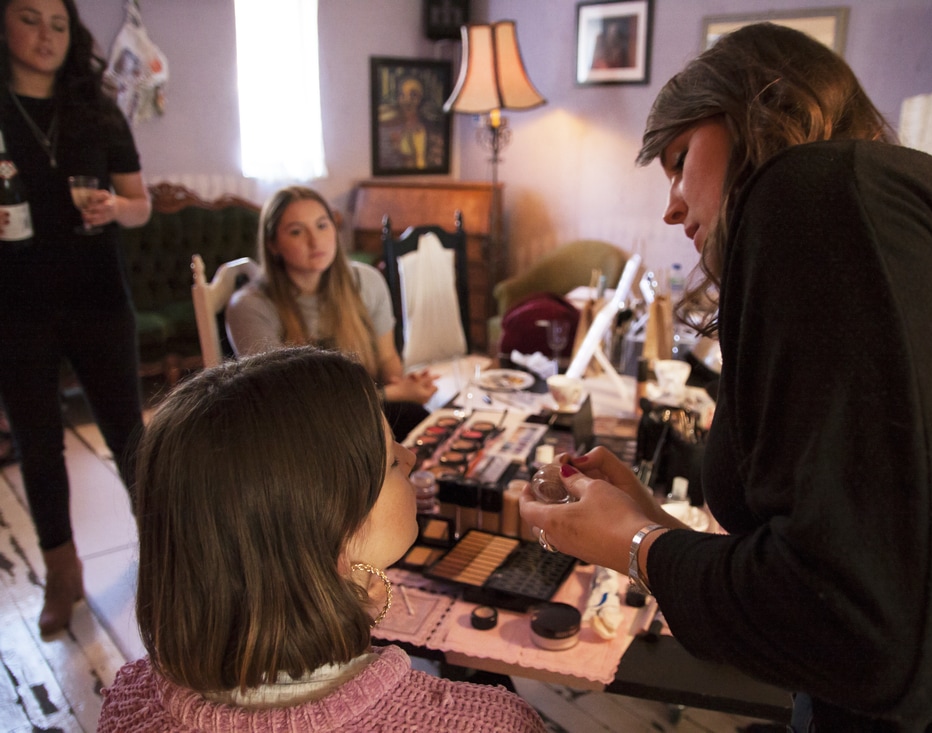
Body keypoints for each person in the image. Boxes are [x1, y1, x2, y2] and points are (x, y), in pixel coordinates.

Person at [520, 23, 932, 732]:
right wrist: (650, 526)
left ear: (752, 111)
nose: (670, 205)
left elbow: (872, 625)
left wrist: (635, 547)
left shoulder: (816, 191)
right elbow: (830, 576)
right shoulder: (874, 210)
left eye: (679, 160)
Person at [97, 347, 546, 732]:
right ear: (333, 541)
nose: (410, 457)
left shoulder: (128, 704)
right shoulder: (491, 723)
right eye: (390, 461)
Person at [0, 0, 150, 636]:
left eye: (59, 24)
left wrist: (115, 207)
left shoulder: (98, 108)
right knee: (37, 443)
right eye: (29, 18)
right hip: (15, 307)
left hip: (98, 300)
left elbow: (141, 205)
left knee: (129, 434)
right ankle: (62, 573)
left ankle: (165, 553)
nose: (46, 35)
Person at [225, 185, 437, 441]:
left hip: (363, 412)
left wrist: (403, 383)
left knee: (426, 426)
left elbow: (386, 357)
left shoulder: (367, 281)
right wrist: (393, 394)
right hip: (300, 430)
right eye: (296, 231)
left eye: (322, 226)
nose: (315, 241)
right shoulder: (250, 306)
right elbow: (285, 401)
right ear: (273, 244)